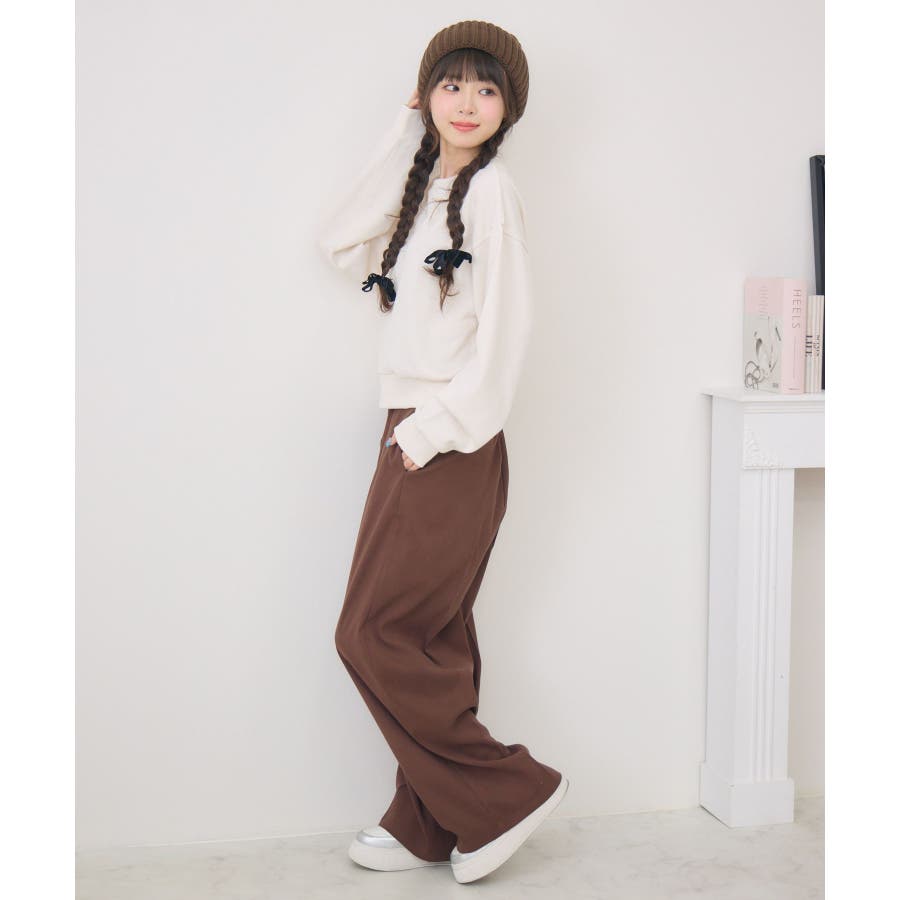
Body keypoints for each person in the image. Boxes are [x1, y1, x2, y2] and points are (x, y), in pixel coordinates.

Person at [318, 19, 569, 885]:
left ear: (508, 109)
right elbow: (338, 240)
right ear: (426, 95)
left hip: (450, 435)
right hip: (414, 426)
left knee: (370, 633)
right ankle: (427, 817)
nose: (467, 103)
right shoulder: (426, 189)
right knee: (429, 638)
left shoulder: (493, 194)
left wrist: (427, 435)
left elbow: (507, 340)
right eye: (451, 84)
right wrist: (403, 133)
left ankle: (505, 792)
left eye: (486, 89)